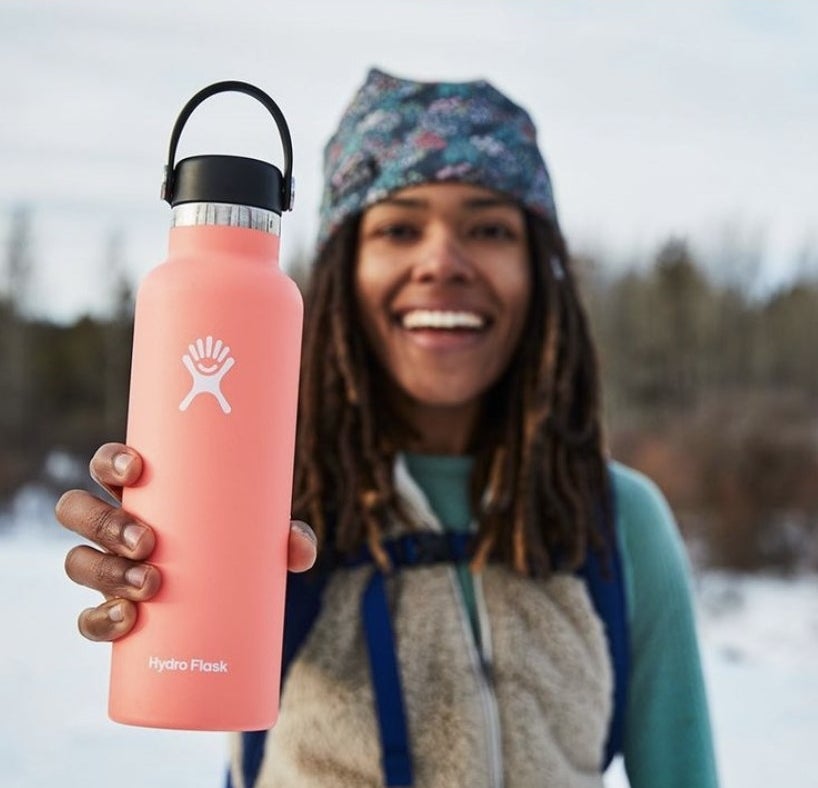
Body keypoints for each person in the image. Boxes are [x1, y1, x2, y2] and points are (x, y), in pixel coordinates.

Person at [56, 68, 718, 787]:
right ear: (345, 271)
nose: (442, 263)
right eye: (400, 228)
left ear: (540, 270)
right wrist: (148, 559)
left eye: (489, 228)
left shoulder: (617, 523)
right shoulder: (280, 496)